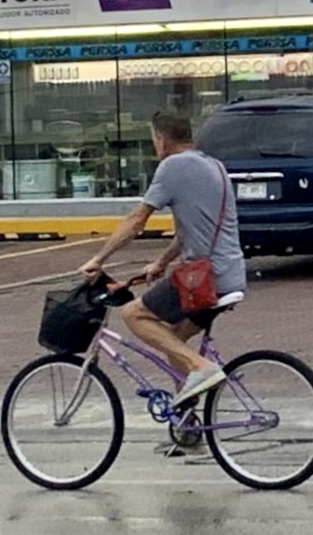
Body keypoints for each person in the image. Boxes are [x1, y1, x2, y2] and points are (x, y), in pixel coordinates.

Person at [80, 112, 247, 406]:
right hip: (230, 274)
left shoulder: (173, 167)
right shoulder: (215, 166)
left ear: (162, 139)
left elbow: (136, 221)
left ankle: (201, 368)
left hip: (205, 280)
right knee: (172, 339)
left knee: (134, 314)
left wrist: (99, 258)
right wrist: (162, 262)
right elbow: (191, 231)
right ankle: (188, 425)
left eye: (153, 140)